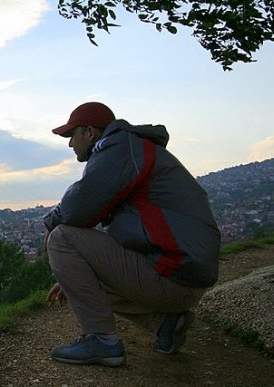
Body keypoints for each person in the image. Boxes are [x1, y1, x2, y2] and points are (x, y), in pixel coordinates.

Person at [43, 102, 220, 367]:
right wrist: (71, 275)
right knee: (81, 273)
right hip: (185, 275)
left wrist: (49, 221)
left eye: (72, 135)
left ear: (90, 132)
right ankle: (165, 324)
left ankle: (101, 341)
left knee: (60, 237)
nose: (70, 144)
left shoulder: (118, 150)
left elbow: (76, 209)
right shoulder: (133, 149)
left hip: (173, 275)